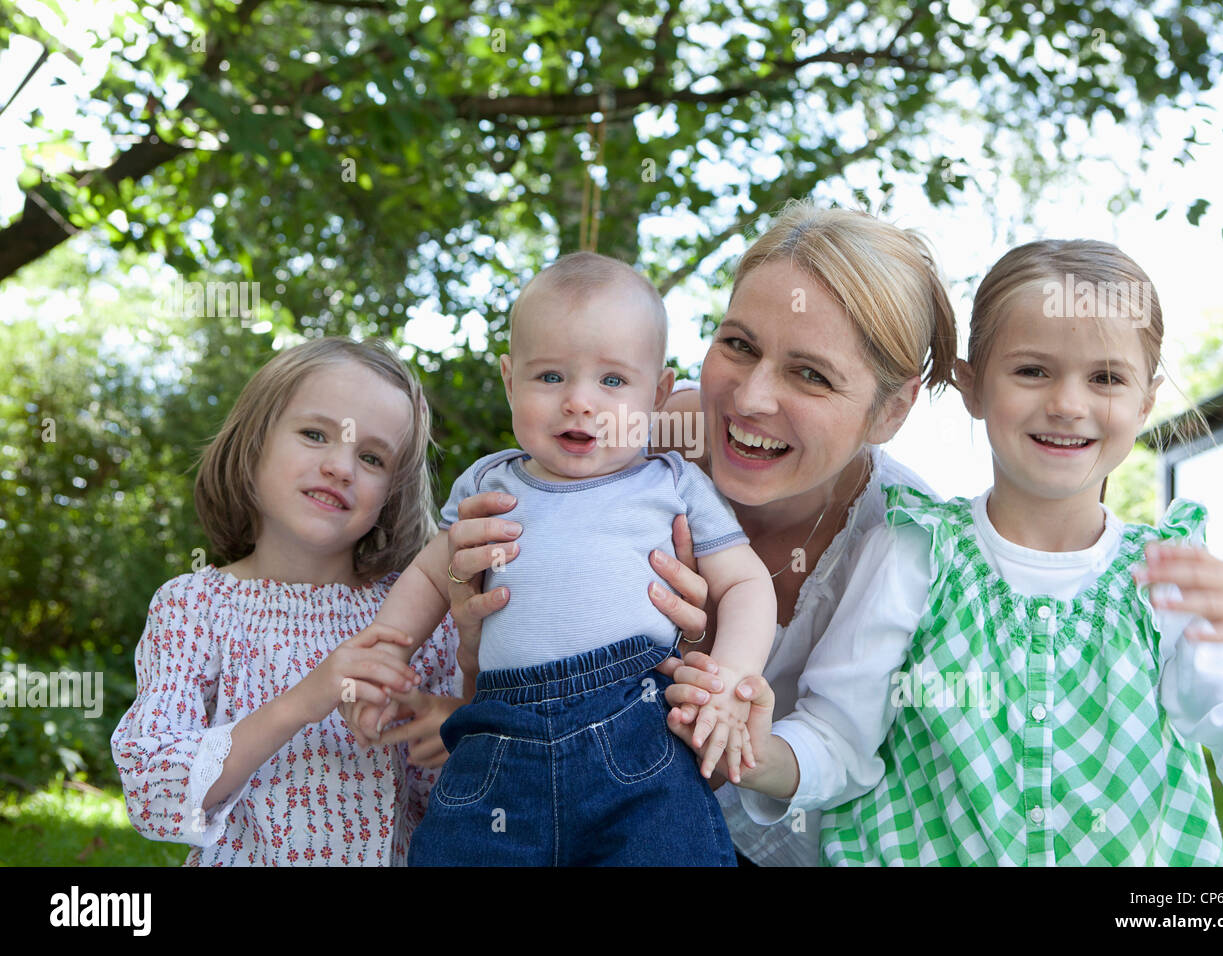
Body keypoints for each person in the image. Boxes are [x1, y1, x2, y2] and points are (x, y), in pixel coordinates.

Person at [708, 239, 1223, 864]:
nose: (1068, 404)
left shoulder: (1170, 576)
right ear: (971, 386)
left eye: (1105, 377)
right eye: (1032, 370)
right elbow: (841, 739)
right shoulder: (914, 552)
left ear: (1145, 402)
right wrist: (758, 754)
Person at [428, 202, 959, 865]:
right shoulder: (627, 439)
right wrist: (470, 629)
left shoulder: (907, 538)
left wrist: (723, 727)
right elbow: (519, 649)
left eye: (810, 374)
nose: (752, 398)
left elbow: (843, 748)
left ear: (891, 409)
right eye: (738, 344)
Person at [348, 251, 776, 866]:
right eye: (550, 377)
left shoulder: (670, 483)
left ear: (657, 394)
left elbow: (745, 583)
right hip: (498, 738)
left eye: (612, 381)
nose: (579, 402)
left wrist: (730, 679)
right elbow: (429, 571)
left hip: (636, 727)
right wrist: (389, 644)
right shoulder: (488, 484)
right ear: (509, 380)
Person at [111, 338, 460, 865]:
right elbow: (153, 790)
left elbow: (462, 797)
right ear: (253, 445)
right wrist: (305, 699)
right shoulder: (194, 607)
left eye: (371, 457)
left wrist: (454, 727)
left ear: (393, 492)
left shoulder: (422, 614)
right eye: (315, 434)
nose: (341, 467)